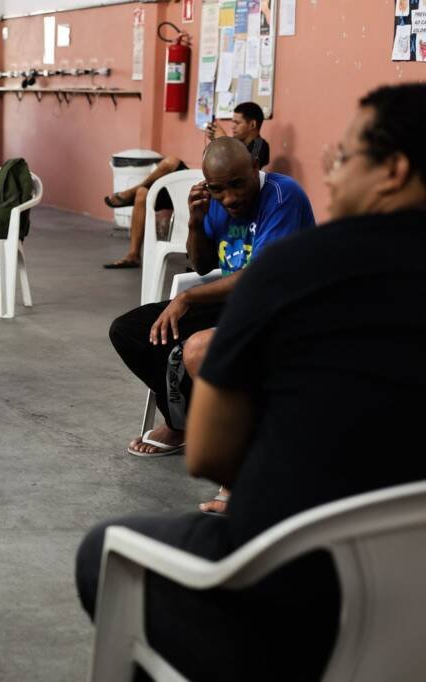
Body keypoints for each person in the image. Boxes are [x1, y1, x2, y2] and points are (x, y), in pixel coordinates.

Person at [77, 81, 426, 681]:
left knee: (104, 552)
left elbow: (210, 452)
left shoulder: (290, 271)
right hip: (413, 605)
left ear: (392, 170)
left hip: (286, 593)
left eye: (342, 158)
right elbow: (201, 261)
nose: (331, 175)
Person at [108, 137, 313, 464]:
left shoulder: (282, 195)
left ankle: (215, 436)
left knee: (194, 344)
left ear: (255, 168)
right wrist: (196, 221)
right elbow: (203, 265)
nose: (230, 198)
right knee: (131, 331)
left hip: (277, 307)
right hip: (234, 301)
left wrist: (189, 298)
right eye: (219, 189)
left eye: (238, 184)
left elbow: (262, 276)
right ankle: (182, 424)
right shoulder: (213, 201)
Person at [104, 101, 271, 269]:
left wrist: (222, 139)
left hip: (213, 195)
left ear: (252, 124)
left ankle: (127, 194)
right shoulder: (231, 143)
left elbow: (242, 168)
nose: (233, 127)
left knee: (172, 162)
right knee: (142, 193)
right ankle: (133, 254)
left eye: (237, 122)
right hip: (201, 187)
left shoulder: (259, 145)